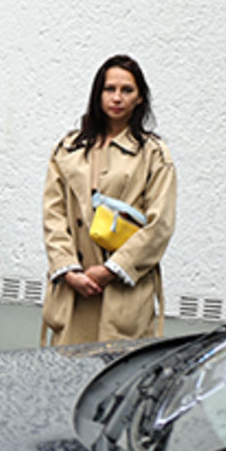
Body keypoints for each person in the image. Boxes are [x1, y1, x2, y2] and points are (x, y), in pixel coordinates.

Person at [40, 54, 176, 345]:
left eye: (127, 90)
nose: (117, 98)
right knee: (66, 375)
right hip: (74, 289)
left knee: (117, 376)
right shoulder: (68, 148)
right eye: (109, 89)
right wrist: (68, 269)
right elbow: (53, 215)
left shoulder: (153, 152)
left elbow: (160, 224)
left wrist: (110, 270)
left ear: (140, 98)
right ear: (97, 93)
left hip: (123, 290)